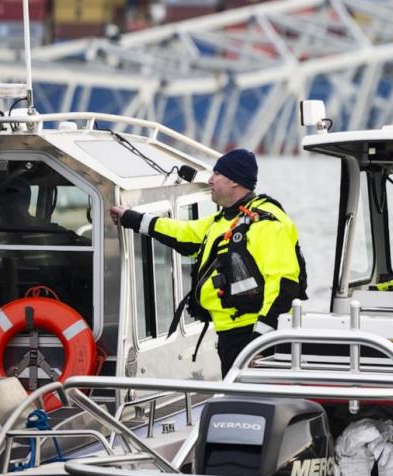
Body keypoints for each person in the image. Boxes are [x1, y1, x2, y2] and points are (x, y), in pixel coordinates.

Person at [109, 149, 306, 373]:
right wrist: (131, 218)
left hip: (254, 337)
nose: (210, 180)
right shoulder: (226, 219)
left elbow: (284, 285)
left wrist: (261, 339)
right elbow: (181, 234)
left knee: (253, 404)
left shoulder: (267, 223)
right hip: (232, 334)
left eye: (217, 174)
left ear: (234, 182)